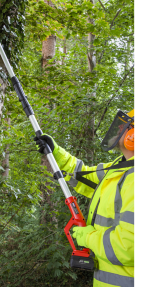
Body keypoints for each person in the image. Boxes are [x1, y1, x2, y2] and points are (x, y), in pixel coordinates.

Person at [35, 109, 135, 287]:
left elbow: (128, 248)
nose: (119, 128)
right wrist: (56, 152)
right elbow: (86, 175)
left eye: (125, 125)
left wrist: (88, 237)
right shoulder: (121, 167)